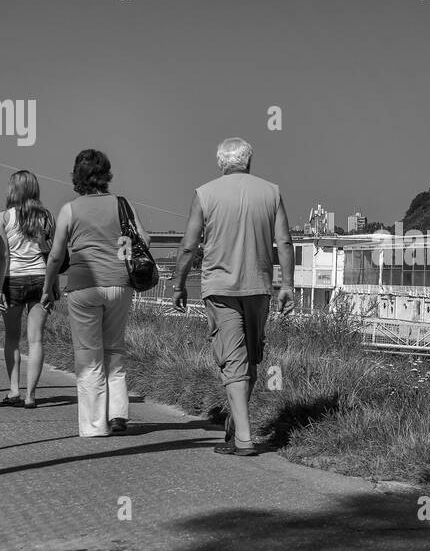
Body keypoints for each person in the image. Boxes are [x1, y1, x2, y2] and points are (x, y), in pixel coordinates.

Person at [173, 137, 294, 457]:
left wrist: (179, 284)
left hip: (221, 289)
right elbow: (284, 242)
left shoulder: (205, 194)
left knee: (234, 361)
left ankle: (243, 438)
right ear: (249, 162)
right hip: (259, 286)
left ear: (220, 163)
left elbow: (188, 246)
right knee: (250, 359)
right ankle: (235, 423)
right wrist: (288, 286)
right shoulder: (271, 192)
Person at [41, 149, 147, 437]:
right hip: (119, 285)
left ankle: (94, 425)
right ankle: (118, 414)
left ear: (77, 176)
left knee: (88, 355)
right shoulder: (122, 205)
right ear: (106, 174)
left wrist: (49, 287)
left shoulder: (70, 209)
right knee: (115, 349)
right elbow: (143, 238)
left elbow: (55, 256)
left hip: (84, 287)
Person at [0, 171, 55, 409]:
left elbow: (3, 256)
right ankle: (31, 395)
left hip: (13, 280)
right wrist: (53, 286)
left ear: (13, 190)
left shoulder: (2, 218)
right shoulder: (47, 217)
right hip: (41, 279)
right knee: (36, 340)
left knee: (11, 337)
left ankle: (13, 391)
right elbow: (51, 255)